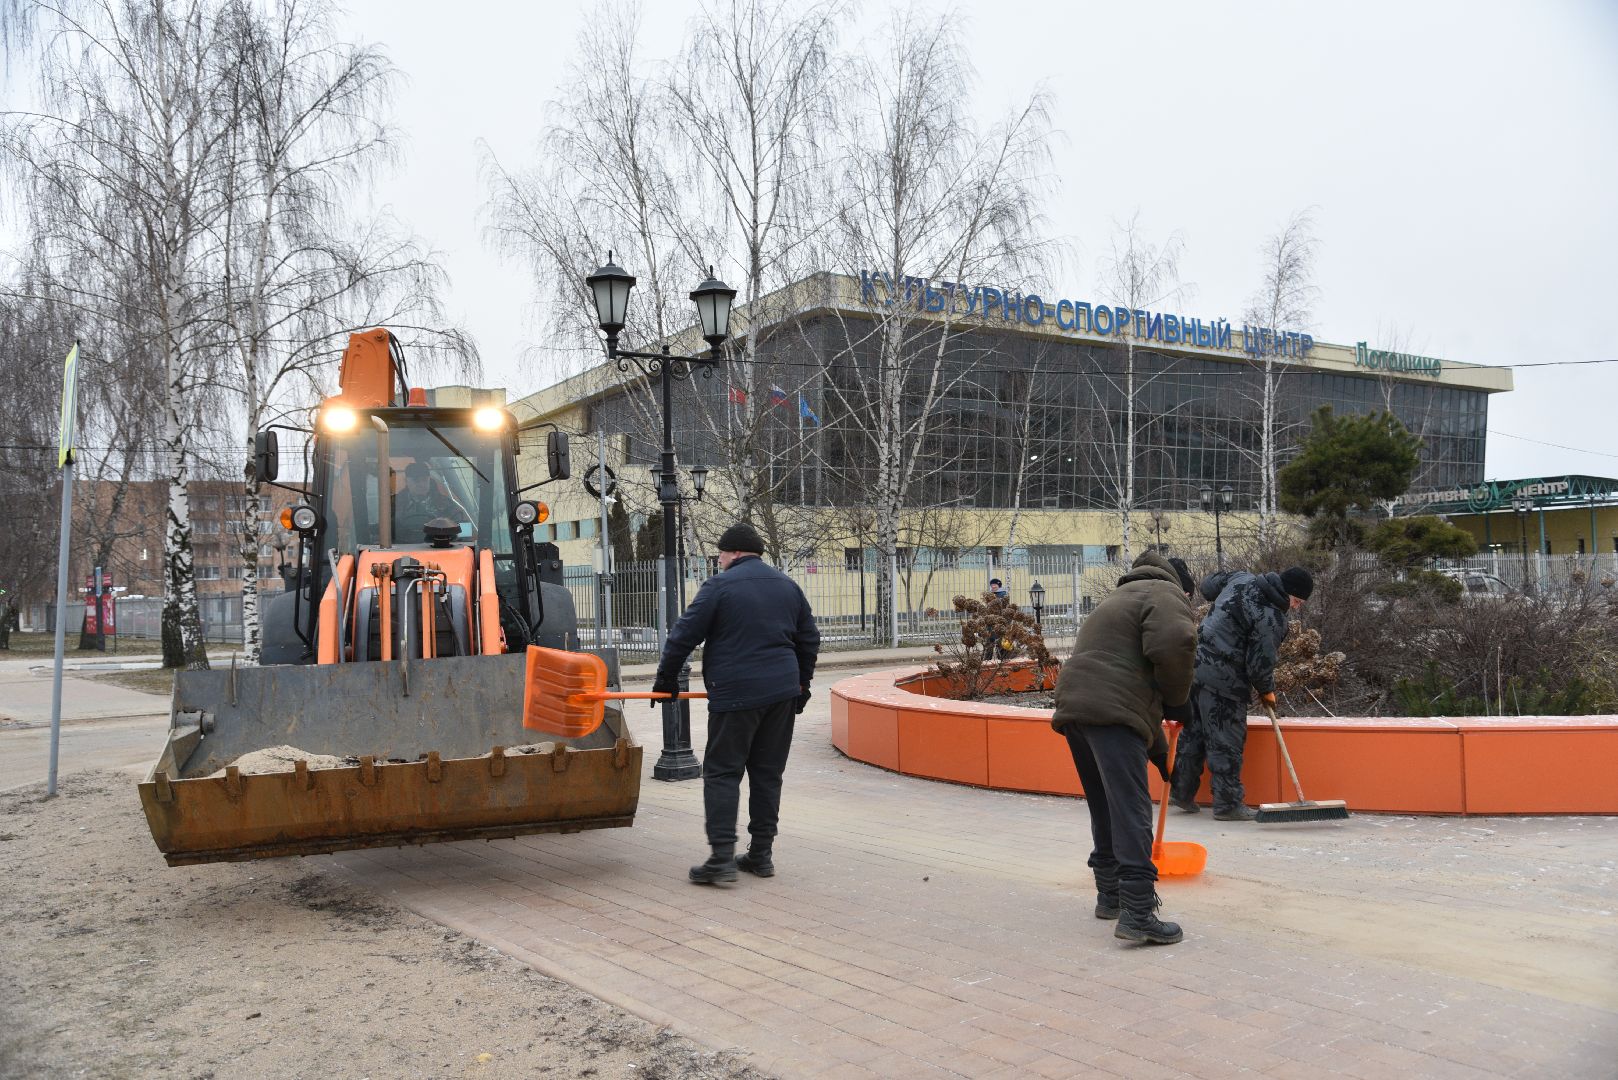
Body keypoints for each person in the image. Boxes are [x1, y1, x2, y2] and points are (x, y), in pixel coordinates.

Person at [652, 523, 820, 885]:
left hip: (736, 693)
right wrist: (802, 685)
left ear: (733, 553)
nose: (719, 560)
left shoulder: (720, 586)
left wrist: (666, 678)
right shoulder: (787, 586)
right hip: (781, 693)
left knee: (722, 772)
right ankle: (761, 855)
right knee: (767, 773)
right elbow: (809, 638)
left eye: (720, 554)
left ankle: (722, 859)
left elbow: (683, 635)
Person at [1051, 551, 1196, 945]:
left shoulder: (1121, 596)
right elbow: (1176, 642)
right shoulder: (1164, 593)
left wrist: (1160, 754)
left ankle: (1110, 895)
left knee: (1106, 803)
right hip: (1110, 711)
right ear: (1184, 588)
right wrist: (1180, 699)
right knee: (1131, 807)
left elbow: (1128, 687)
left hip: (1078, 707)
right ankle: (1138, 912)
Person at [1169, 565, 1314, 821]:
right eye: (1297, 600)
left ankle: (1181, 792)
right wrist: (1267, 691)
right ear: (1287, 592)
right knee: (1226, 742)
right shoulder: (1270, 616)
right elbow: (1260, 663)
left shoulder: (1241, 578)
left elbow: (1207, 586)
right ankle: (1227, 805)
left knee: (1194, 733)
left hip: (1194, 667)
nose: (1296, 607)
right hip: (1225, 681)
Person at [393, 461, 469, 542]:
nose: (421, 484)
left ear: (429, 479)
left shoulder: (446, 504)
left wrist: (462, 540)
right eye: (416, 480)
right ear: (406, 481)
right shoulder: (392, 504)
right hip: (401, 548)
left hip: (438, 548)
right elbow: (382, 530)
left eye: (424, 480)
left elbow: (464, 533)